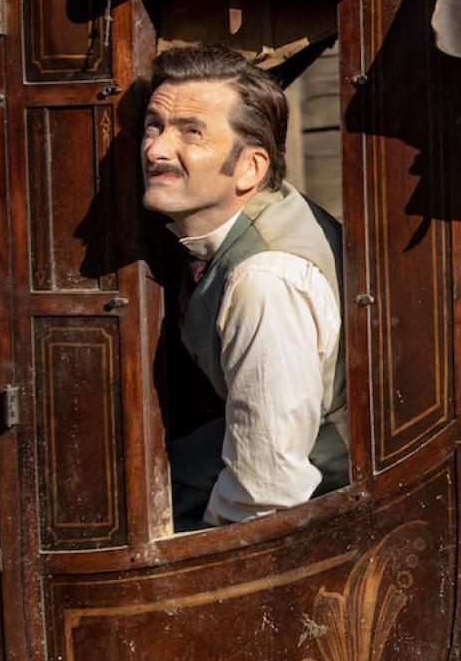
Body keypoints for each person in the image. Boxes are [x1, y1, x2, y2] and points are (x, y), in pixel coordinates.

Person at [141, 45, 347, 529]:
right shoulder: (260, 215)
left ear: (251, 167)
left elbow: (267, 491)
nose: (156, 149)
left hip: (318, 487)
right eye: (155, 125)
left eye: (191, 131)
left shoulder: (264, 282)